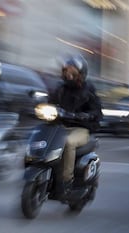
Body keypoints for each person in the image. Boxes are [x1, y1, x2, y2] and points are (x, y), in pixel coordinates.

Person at [49, 55, 102, 196]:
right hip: (59, 126)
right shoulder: (60, 88)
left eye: (72, 71)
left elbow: (97, 111)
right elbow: (50, 103)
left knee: (67, 142)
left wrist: (86, 115)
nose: (68, 74)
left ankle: (67, 180)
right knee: (39, 135)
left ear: (81, 73)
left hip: (80, 128)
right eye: (66, 70)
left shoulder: (88, 89)